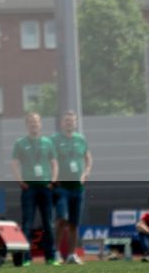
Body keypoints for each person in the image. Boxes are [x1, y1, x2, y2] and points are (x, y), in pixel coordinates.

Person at [12, 112, 58, 264]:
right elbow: (14, 163)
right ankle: (26, 258)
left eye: (36, 121)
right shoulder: (20, 143)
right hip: (29, 187)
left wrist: (53, 180)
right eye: (31, 122)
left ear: (40, 124)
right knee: (27, 223)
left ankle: (51, 257)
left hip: (45, 187)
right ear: (27, 125)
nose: (34, 124)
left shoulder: (48, 142)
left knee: (48, 223)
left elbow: (54, 162)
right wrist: (20, 180)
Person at [50, 110, 92, 263]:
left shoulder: (81, 139)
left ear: (76, 123)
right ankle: (55, 252)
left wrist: (85, 174)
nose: (69, 123)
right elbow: (49, 159)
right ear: (62, 123)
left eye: (72, 121)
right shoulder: (54, 139)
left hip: (77, 188)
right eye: (67, 120)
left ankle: (71, 254)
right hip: (61, 187)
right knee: (62, 219)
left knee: (74, 223)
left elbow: (88, 158)